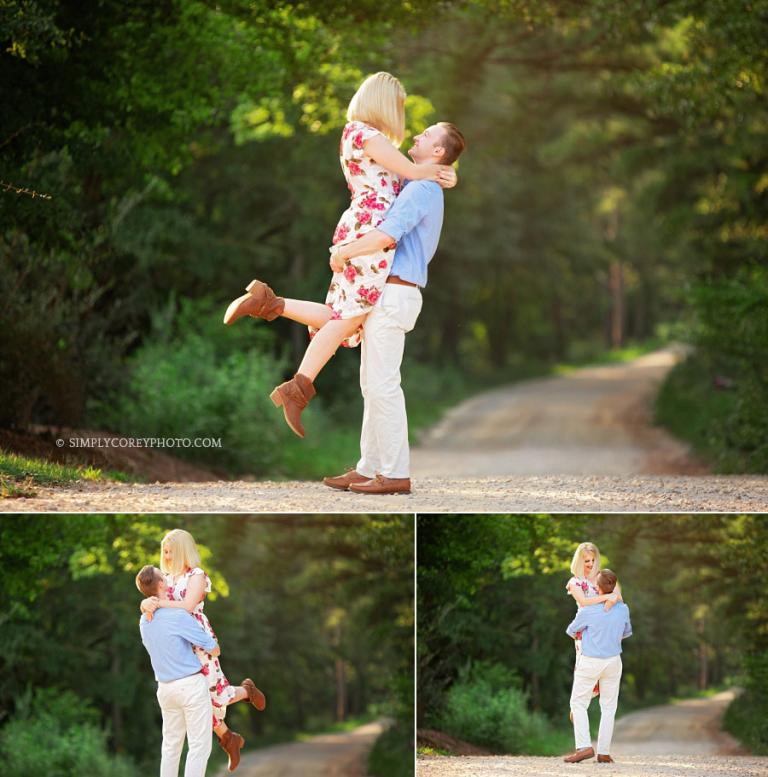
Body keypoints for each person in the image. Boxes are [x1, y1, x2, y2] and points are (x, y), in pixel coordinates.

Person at [223, 71, 456, 438]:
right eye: (398, 105)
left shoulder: (356, 135)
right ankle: (297, 389)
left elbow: (413, 176)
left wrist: (446, 172)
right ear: (382, 102)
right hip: (371, 231)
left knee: (341, 316)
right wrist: (443, 169)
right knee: (349, 321)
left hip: (360, 225)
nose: (402, 115)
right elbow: (413, 171)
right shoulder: (369, 135)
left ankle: (268, 302)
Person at [321, 121, 467, 494]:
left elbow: (387, 234)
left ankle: (396, 472)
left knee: (383, 385)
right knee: (371, 384)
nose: (417, 136)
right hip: (389, 293)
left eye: (427, 135)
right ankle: (368, 467)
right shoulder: (418, 182)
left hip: (395, 293)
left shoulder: (420, 188)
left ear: (437, 151)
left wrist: (344, 252)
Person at [140, 529, 265, 772]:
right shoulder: (165, 577)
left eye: (170, 551)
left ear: (182, 551)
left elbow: (188, 605)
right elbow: (152, 596)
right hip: (179, 640)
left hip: (197, 636)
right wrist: (145, 601)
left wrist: (156, 603)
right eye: (164, 551)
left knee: (214, 695)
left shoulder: (196, 575)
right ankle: (229, 738)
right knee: (201, 702)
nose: (165, 555)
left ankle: (245, 693)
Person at [137, 565, 218, 777]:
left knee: (171, 748)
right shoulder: (178, 615)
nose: (165, 575)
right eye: (162, 574)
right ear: (162, 584)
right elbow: (214, 649)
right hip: (189, 685)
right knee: (199, 746)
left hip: (165, 689)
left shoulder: (144, 620)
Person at [563, 569, 632, 764]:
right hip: (613, 661)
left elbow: (571, 631)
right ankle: (604, 752)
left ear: (597, 588)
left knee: (578, 703)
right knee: (609, 707)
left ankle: (584, 747)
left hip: (591, 661)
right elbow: (626, 632)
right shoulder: (623, 609)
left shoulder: (588, 610)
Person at [565, 542, 623, 708]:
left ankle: (584, 705)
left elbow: (618, 598)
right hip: (585, 632)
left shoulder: (604, 577)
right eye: (586, 561)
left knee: (604, 667)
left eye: (592, 560)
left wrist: (608, 604)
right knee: (585, 669)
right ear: (579, 561)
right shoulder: (575, 582)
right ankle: (576, 707)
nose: (590, 564)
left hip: (605, 631)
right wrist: (606, 598)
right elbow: (583, 602)